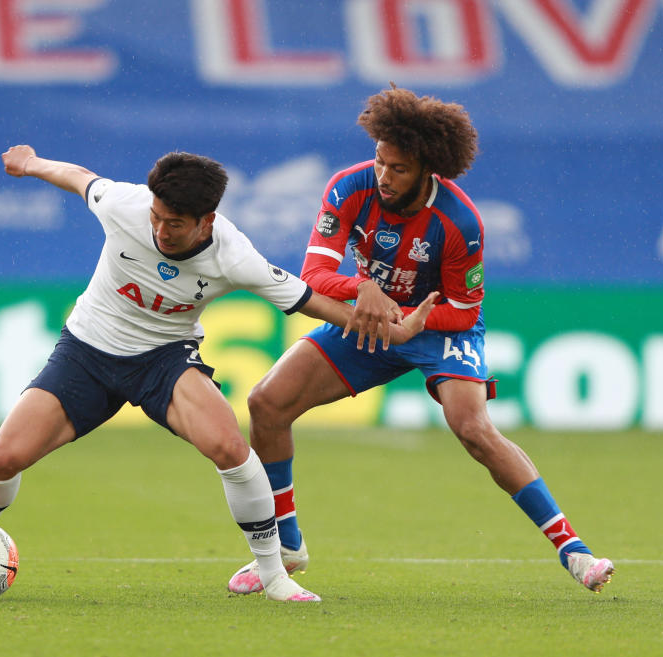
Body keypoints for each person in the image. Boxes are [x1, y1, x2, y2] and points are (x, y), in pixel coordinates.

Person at [0, 144, 437, 602]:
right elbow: (77, 177)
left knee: (231, 448)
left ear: (206, 222)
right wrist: (30, 163)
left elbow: (309, 300)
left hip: (163, 359)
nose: (161, 231)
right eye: (157, 218)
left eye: (175, 224)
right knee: (4, 457)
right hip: (87, 352)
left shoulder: (234, 255)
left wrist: (390, 333)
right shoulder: (124, 205)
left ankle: (275, 575)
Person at [227, 86, 615, 597]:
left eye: (399, 168)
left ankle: (574, 551)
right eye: (380, 161)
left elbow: (464, 310)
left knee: (472, 428)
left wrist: (407, 319)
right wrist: (364, 290)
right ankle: (288, 547)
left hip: (438, 328)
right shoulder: (349, 188)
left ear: (430, 168)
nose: (384, 177)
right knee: (266, 403)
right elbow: (315, 275)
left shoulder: (460, 222)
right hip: (374, 321)